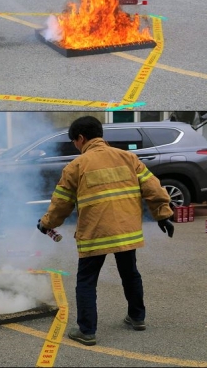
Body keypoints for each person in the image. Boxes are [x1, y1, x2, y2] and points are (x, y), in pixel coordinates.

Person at [37, 116, 174, 347]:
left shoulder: (76, 167)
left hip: (95, 234)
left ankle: (87, 331)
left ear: (81, 138)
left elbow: (61, 204)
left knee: (86, 281)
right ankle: (137, 318)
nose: (75, 146)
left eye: (74, 141)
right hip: (125, 233)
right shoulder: (128, 158)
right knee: (130, 274)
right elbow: (153, 188)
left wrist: (46, 223)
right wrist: (163, 214)